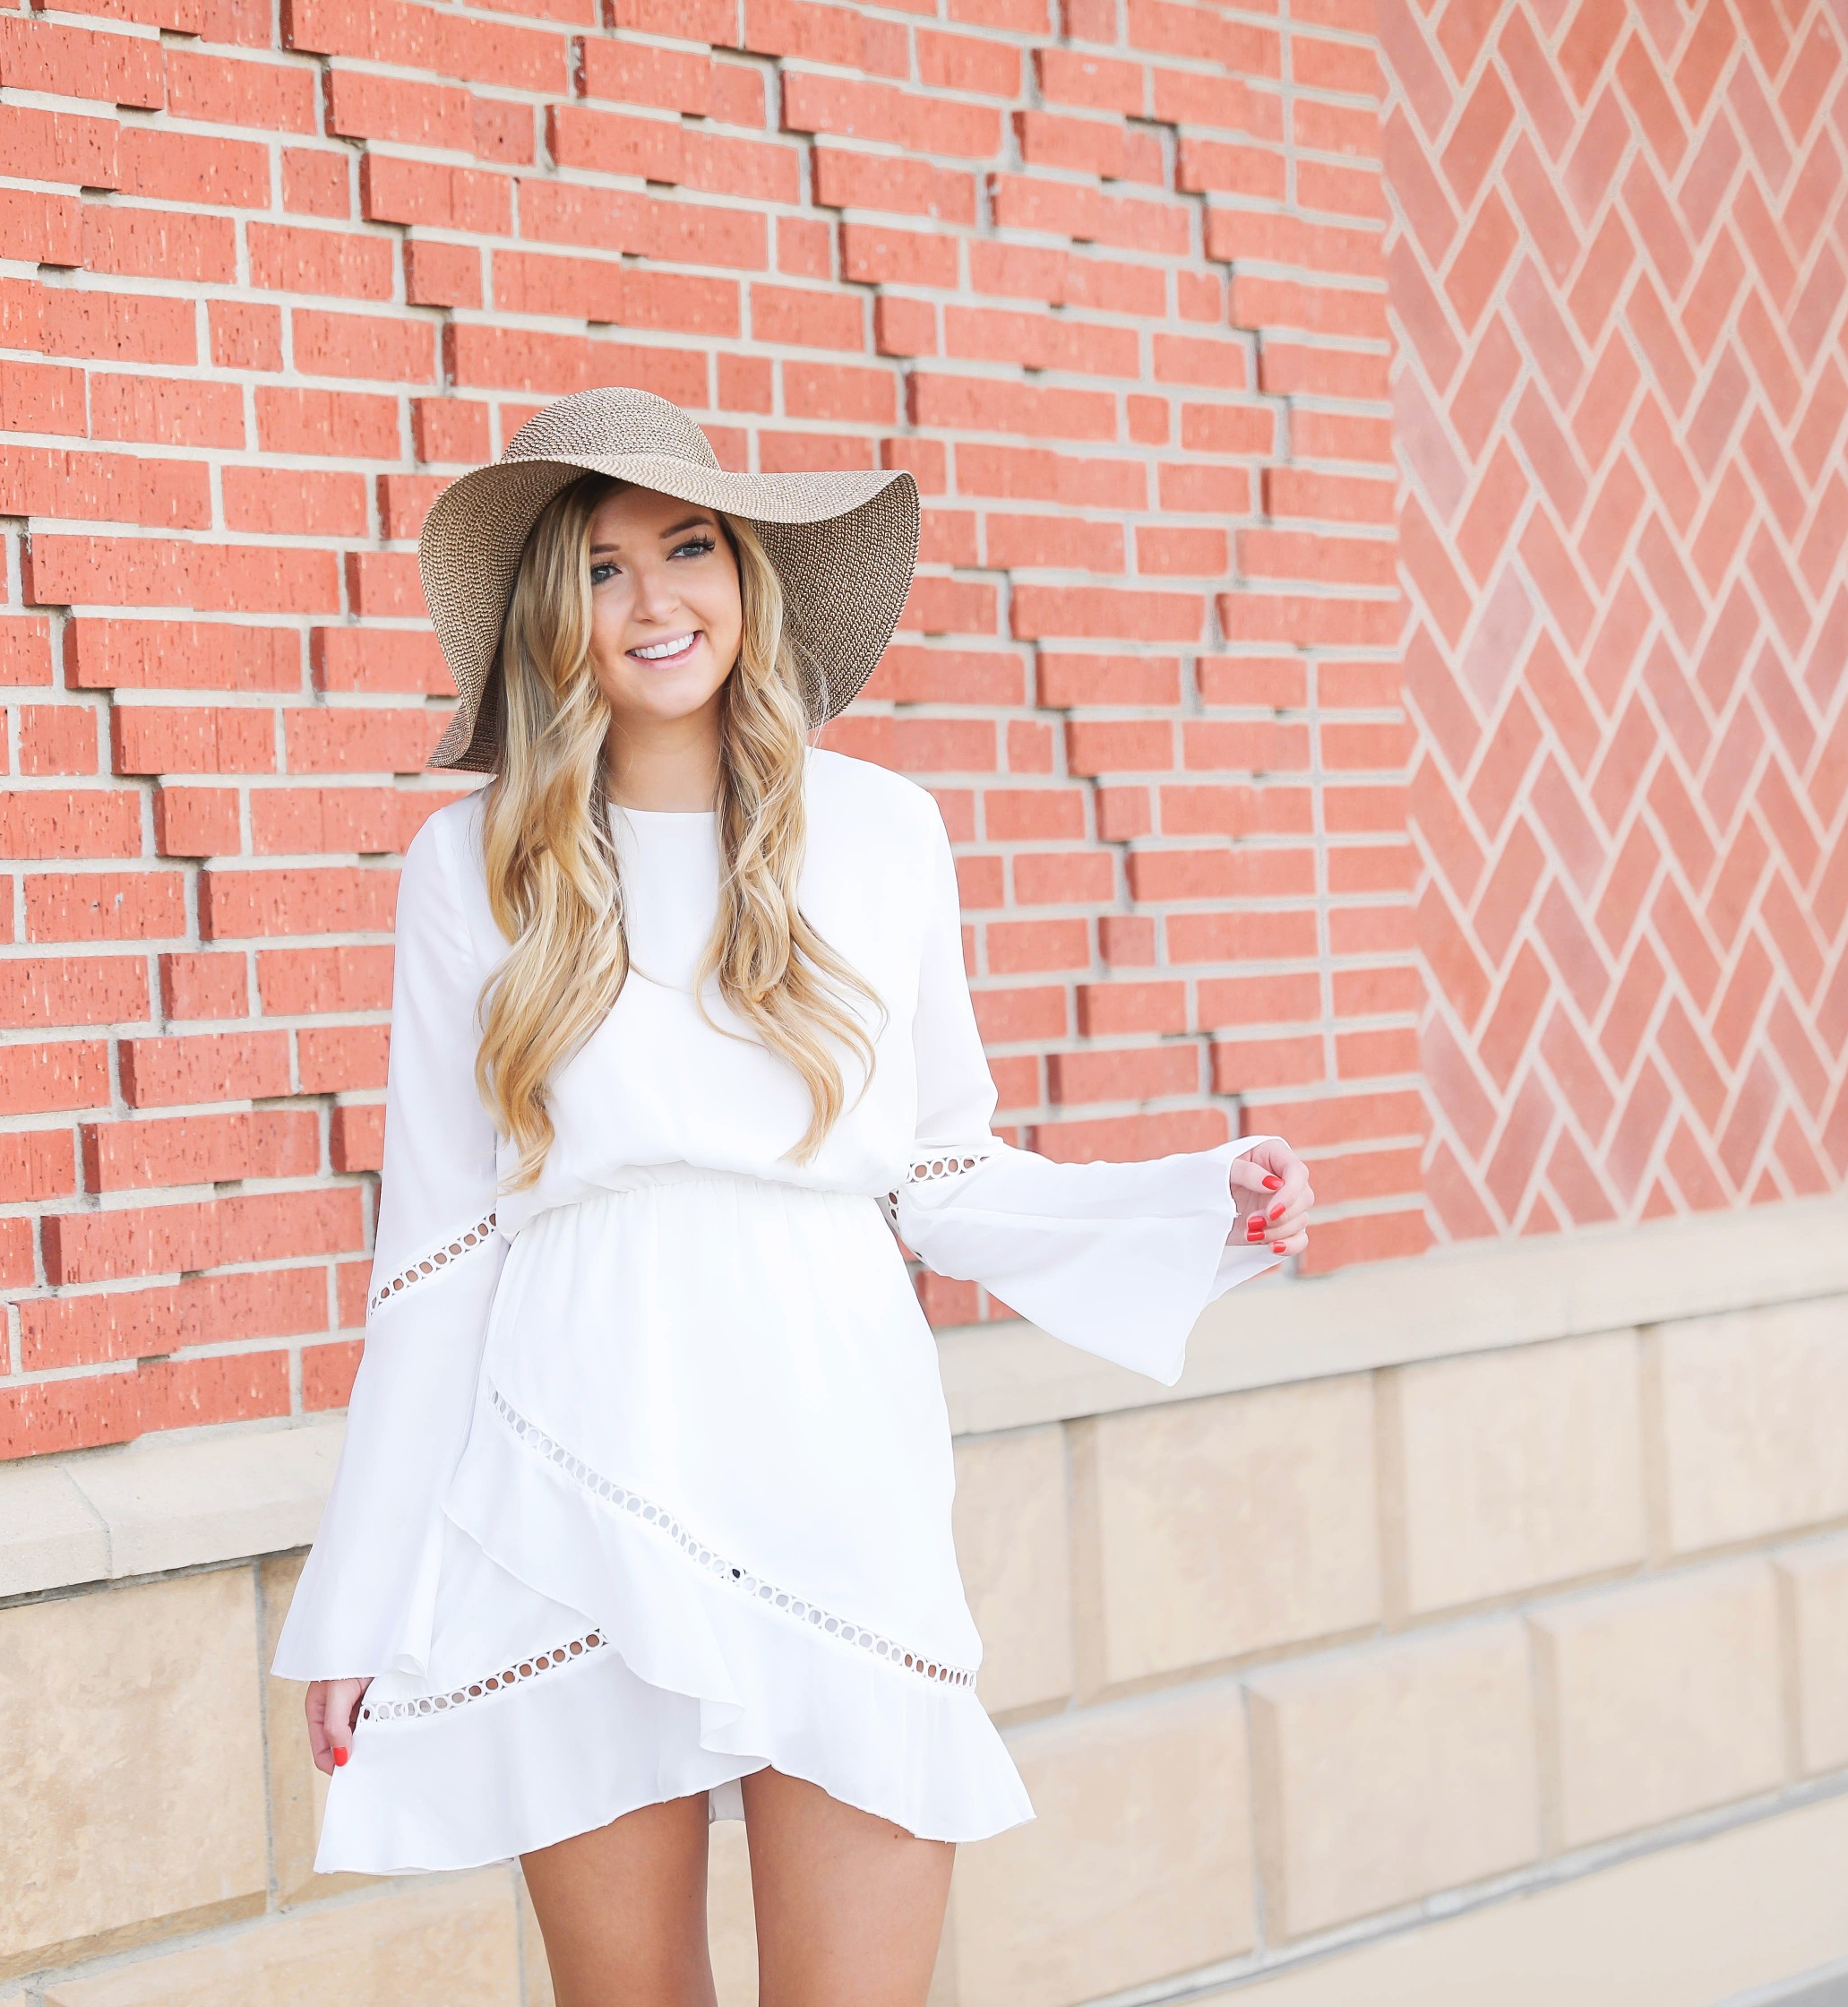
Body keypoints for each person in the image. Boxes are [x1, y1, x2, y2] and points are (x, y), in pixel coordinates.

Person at [269, 387, 1314, 2006]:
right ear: (556, 610)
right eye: (601, 567)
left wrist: (1187, 1210)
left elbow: (946, 1174)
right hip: (568, 1465)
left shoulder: (884, 832)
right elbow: (436, 1253)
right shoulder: (467, 863)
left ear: (748, 576)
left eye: (687, 549)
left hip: (832, 1455)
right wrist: (357, 1593)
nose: (651, 599)